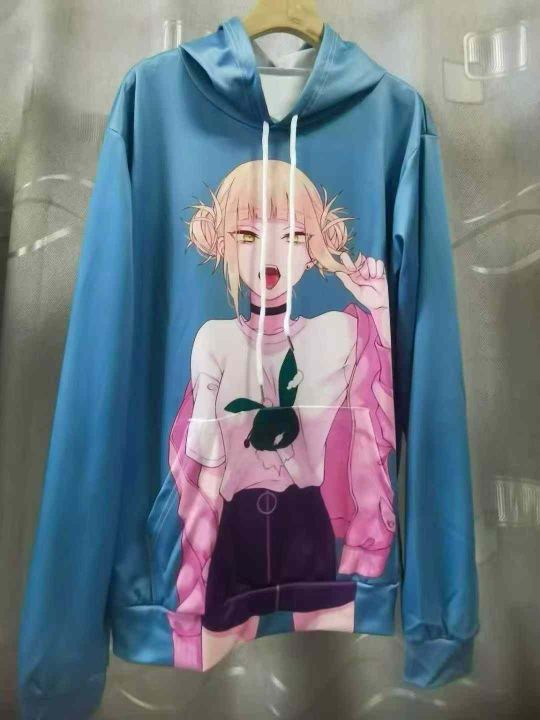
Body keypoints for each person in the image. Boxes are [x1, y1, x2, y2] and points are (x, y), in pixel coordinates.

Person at [166, 159, 397, 670]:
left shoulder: (336, 333)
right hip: (235, 529)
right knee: (212, 672)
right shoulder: (215, 340)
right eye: (247, 234)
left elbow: (389, 399)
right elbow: (201, 459)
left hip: (306, 522)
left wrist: (380, 307)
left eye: (293, 235)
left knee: (337, 672)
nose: (270, 253)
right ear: (222, 244)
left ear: (315, 248)